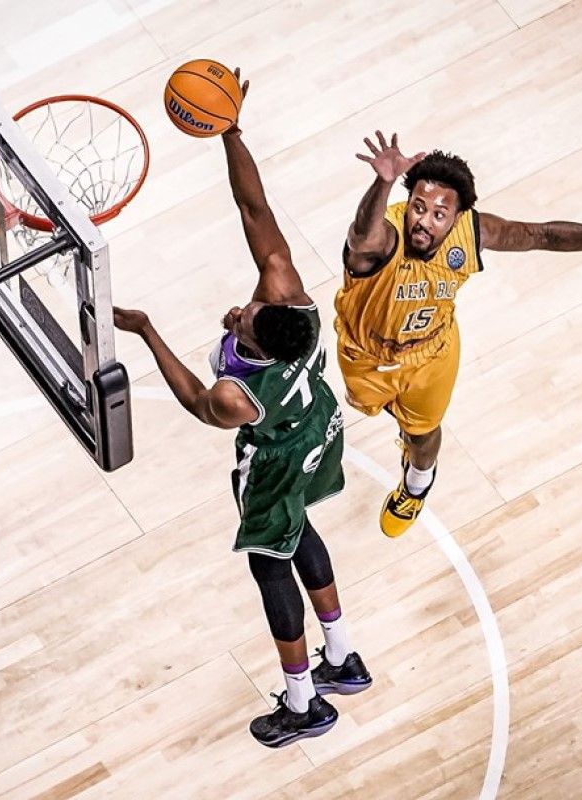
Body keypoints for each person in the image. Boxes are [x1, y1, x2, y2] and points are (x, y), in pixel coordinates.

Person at [114, 74, 371, 748]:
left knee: (268, 562)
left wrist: (146, 331)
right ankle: (342, 656)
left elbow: (198, 403)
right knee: (298, 529)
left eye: (243, 322)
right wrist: (231, 130)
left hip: (279, 456)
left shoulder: (238, 396)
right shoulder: (292, 300)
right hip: (319, 425)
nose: (239, 309)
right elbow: (254, 208)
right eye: (251, 307)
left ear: (256, 348)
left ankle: (303, 703)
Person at [338, 131, 582, 537]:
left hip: (431, 352)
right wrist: (383, 183)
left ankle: (416, 486)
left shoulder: (472, 232)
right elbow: (362, 238)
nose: (423, 221)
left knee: (423, 434)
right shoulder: (386, 235)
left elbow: (540, 235)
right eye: (418, 208)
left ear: (458, 218)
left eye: (439, 214)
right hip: (367, 353)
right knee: (375, 409)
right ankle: (403, 423)